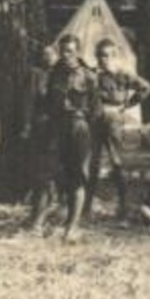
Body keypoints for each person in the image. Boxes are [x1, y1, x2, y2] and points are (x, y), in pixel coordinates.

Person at [89, 37, 150, 221]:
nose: (103, 59)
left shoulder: (122, 74)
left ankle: (124, 208)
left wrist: (126, 105)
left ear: (114, 56)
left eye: (107, 55)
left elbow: (145, 88)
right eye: (100, 55)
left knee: (117, 162)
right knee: (91, 163)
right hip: (94, 120)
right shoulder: (92, 74)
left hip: (113, 120)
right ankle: (86, 206)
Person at [42, 33, 100, 241]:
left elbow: (96, 110)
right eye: (62, 51)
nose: (66, 55)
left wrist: (89, 135)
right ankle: (53, 218)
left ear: (78, 52)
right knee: (54, 173)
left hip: (79, 126)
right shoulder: (54, 73)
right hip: (57, 127)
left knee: (78, 176)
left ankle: (72, 226)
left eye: (70, 51)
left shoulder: (89, 76)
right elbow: (48, 101)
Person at [23, 44, 61, 235]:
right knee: (40, 172)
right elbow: (29, 101)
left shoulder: (63, 74)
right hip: (41, 127)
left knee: (56, 172)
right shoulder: (36, 74)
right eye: (45, 55)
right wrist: (27, 125)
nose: (49, 58)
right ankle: (38, 215)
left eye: (52, 54)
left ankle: (52, 209)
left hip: (62, 129)